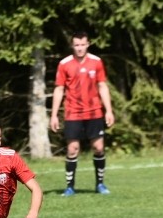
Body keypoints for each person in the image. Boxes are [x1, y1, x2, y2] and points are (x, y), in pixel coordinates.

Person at [49, 31, 115, 196]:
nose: (79, 48)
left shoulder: (96, 62)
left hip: (94, 112)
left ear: (88, 44)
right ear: (72, 45)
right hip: (73, 113)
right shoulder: (64, 64)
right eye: (76, 45)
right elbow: (59, 89)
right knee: (72, 149)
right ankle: (70, 187)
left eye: (82, 45)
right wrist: (54, 115)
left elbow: (102, 86)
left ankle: (100, 184)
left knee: (98, 147)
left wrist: (109, 111)